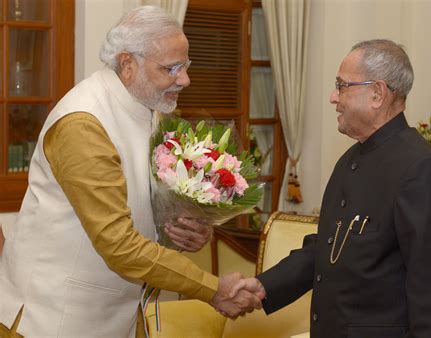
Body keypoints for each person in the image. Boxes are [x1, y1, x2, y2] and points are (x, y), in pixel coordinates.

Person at [0, 6, 262, 338]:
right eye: (171, 68)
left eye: (186, 66)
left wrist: (179, 229)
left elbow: (138, 205)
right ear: (127, 64)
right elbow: (119, 245)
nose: (184, 79)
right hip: (56, 318)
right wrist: (213, 288)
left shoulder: (148, 109)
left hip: (115, 314)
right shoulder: (83, 124)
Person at [232, 39, 431, 338]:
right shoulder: (349, 161)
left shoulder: (420, 168)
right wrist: (265, 286)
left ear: (377, 93)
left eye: (342, 85)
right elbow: (327, 248)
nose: (333, 96)